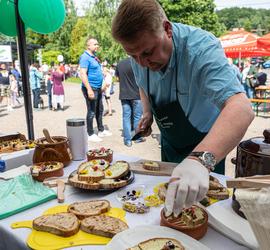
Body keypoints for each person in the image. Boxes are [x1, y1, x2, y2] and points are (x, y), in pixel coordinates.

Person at [112, 0, 254, 216]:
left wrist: (199, 161)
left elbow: (242, 108)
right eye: (133, 56)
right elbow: (142, 82)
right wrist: (148, 112)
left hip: (207, 146)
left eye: (148, 53)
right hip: (170, 144)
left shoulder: (201, 48)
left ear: (167, 29)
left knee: (208, 213)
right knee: (168, 206)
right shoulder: (140, 54)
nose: (141, 62)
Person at [79, 38, 112, 142]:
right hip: (91, 88)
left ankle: (101, 130)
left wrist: (103, 85)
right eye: (95, 44)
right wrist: (89, 89)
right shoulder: (85, 57)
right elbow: (83, 74)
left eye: (98, 44)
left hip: (98, 88)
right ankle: (90, 133)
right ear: (88, 46)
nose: (97, 46)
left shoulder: (94, 57)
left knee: (99, 110)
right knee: (92, 111)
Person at [116, 57, 144, 147]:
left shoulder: (120, 63)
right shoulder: (137, 63)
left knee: (126, 117)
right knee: (137, 117)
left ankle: (127, 140)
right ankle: (137, 138)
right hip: (136, 94)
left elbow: (117, 78)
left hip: (124, 94)